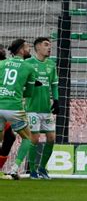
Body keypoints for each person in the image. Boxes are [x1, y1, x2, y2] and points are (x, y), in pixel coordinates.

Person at [0, 39, 37, 180]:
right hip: (14, 108)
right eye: (27, 47)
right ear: (21, 50)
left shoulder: (1, 64)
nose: (29, 50)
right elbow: (29, 93)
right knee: (28, 138)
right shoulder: (29, 67)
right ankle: (14, 170)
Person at [25, 37, 59, 179]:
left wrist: (56, 100)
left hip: (46, 108)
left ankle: (42, 168)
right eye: (46, 45)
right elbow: (22, 81)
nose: (49, 48)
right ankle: (32, 170)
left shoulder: (51, 64)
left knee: (51, 138)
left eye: (50, 45)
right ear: (37, 47)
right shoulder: (28, 63)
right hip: (32, 108)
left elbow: (54, 84)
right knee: (35, 138)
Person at [0, 45, 17, 176]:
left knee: (10, 137)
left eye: (3, 49)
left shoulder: (6, 66)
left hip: (4, 105)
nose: (3, 51)